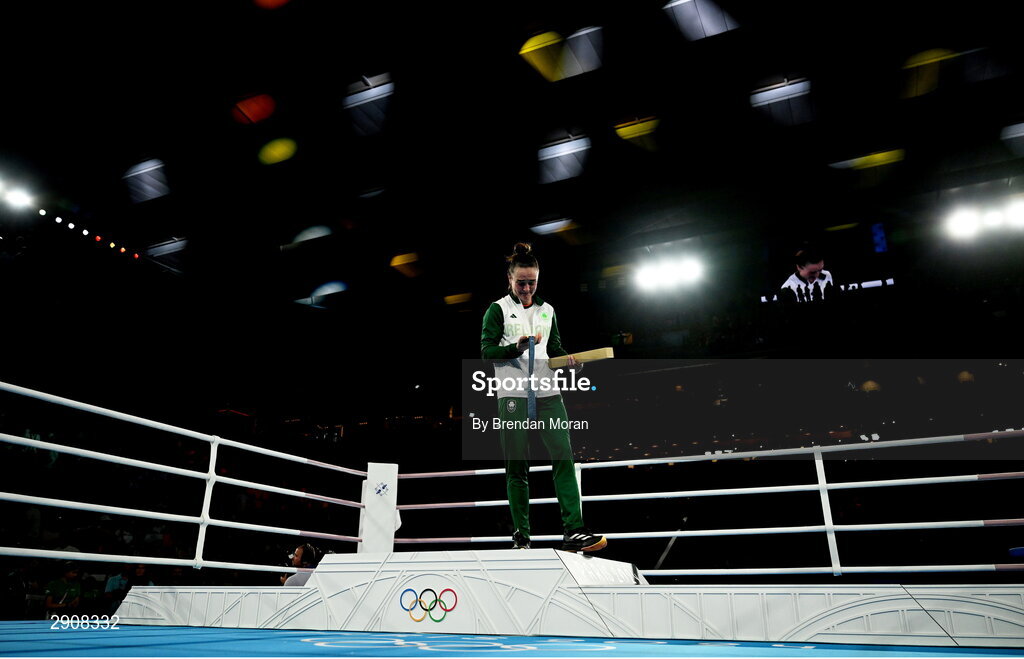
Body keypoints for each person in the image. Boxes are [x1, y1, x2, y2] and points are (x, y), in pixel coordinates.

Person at [480, 242, 606, 553]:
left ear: (538, 279)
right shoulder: (497, 310)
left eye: (532, 282)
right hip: (513, 395)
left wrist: (571, 359)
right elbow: (486, 353)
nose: (526, 288)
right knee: (517, 467)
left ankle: (574, 531)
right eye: (520, 282)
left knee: (564, 457)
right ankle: (522, 537)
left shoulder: (548, 311)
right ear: (509, 279)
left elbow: (555, 350)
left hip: (548, 392)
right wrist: (517, 347)